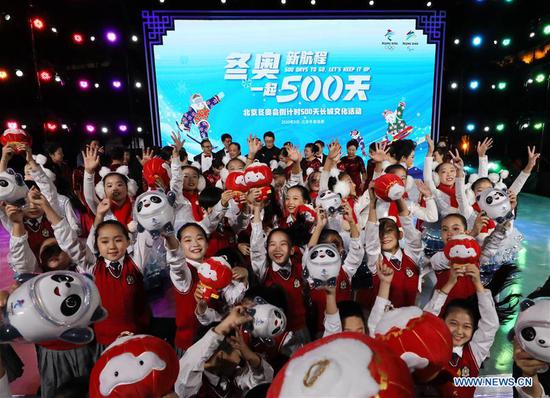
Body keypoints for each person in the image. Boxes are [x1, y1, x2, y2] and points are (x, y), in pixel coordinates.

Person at [175, 306, 274, 397]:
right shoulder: (190, 387)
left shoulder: (229, 380)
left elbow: (262, 381)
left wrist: (246, 351)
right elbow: (191, 361)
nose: (241, 364)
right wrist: (228, 323)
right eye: (240, 358)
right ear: (220, 355)